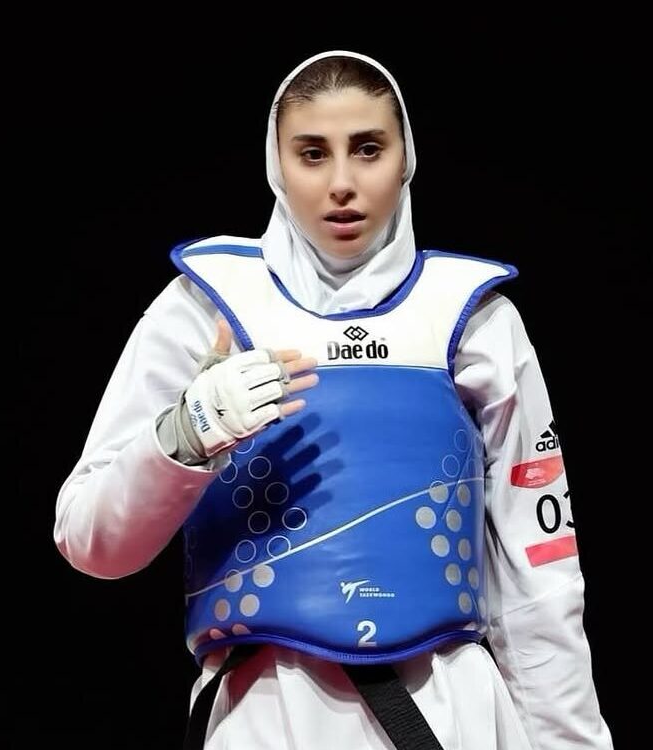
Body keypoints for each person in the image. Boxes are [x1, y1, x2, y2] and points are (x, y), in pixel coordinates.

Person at [54, 49, 613, 749]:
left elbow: (541, 576)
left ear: (406, 159)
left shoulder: (476, 319)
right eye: (312, 153)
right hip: (263, 716)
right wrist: (188, 433)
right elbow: (91, 542)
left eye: (368, 149)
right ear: (276, 164)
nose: (342, 184)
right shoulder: (204, 307)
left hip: (452, 713)